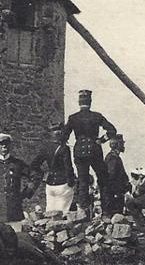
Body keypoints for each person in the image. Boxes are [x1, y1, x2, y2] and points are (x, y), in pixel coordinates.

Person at [62, 89, 118, 217]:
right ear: (90, 102)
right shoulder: (97, 116)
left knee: (83, 180)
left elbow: (64, 136)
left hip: (79, 152)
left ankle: (83, 211)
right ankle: (106, 211)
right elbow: (112, 130)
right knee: (103, 179)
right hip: (94, 150)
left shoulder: (73, 118)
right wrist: (100, 140)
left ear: (79, 102)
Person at [0, 133, 37, 229]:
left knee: (15, 238)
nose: (4, 146)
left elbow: (35, 176)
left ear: (10, 145)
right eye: (0, 144)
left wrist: (26, 193)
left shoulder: (18, 164)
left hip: (14, 210)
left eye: (6, 143)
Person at [31, 123, 76, 214]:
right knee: (62, 214)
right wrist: (71, 182)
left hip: (50, 184)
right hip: (63, 184)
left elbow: (34, 164)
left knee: (50, 212)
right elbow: (68, 166)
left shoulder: (45, 148)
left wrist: (43, 173)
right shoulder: (64, 148)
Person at [104, 134, 130, 216]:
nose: (123, 145)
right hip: (114, 197)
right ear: (117, 145)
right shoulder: (113, 158)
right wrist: (117, 192)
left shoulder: (112, 157)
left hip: (113, 195)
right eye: (122, 143)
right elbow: (111, 177)